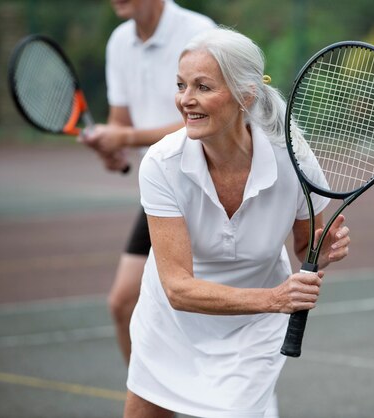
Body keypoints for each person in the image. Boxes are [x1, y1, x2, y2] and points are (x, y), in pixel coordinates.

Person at [123, 27, 352, 417]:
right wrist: (276, 299)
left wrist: (323, 249)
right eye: (181, 85)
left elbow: (304, 247)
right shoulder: (161, 164)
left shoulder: (293, 158)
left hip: (254, 330)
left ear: (245, 95)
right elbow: (178, 288)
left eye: (203, 87)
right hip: (171, 324)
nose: (185, 100)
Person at [78, 0, 215, 364]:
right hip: (163, 188)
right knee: (124, 303)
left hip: (211, 184)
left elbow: (207, 118)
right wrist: (112, 145)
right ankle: (153, 402)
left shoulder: (198, 31)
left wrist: (125, 139)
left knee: (205, 311)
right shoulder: (119, 41)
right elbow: (121, 122)